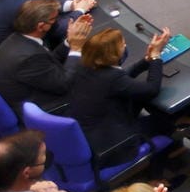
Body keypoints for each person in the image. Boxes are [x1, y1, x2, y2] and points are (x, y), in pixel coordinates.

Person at [68, 25, 175, 168]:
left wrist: (146, 61)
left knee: (140, 104)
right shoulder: (112, 78)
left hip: (91, 137)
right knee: (165, 122)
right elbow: (151, 90)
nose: (125, 46)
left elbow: (121, 77)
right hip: (115, 146)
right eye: (123, 45)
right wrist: (156, 57)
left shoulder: (85, 66)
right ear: (113, 54)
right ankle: (156, 176)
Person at [0, 0, 90, 114]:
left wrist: (69, 41)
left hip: (36, 90)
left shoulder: (17, 39)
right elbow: (64, 85)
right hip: (48, 107)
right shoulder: (29, 58)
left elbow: (50, 60)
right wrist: (76, 48)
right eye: (54, 19)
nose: (57, 22)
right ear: (41, 26)